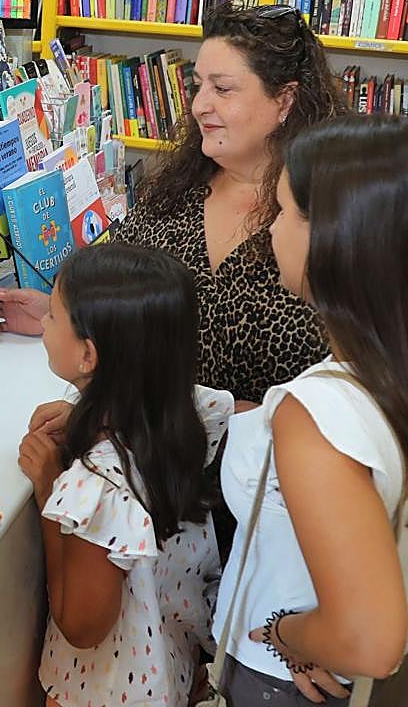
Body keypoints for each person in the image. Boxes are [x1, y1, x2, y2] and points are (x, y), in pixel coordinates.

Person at [2, 1, 344, 406]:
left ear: (285, 101)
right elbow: (128, 310)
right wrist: (64, 319)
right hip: (157, 437)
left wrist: (251, 418)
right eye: (198, 86)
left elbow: (351, 384)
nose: (199, 105)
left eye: (222, 89)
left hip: (279, 446)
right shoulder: (173, 195)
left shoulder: (326, 219)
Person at [212, 115, 408, 704]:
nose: (271, 229)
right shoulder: (381, 372)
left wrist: (285, 635)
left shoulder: (315, 412)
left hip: (282, 679)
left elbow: (370, 640)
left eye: (284, 211)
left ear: (337, 237)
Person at [18, 243, 234, 707]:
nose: (43, 323)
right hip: (170, 661)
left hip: (106, 691)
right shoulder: (183, 416)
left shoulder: (96, 487)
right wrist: (88, 417)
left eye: (52, 314)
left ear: (88, 355)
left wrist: (52, 493)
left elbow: (81, 627)